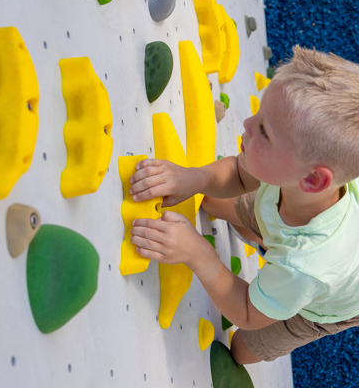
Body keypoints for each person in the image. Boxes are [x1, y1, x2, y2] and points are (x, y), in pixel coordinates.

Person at [128, 45, 359, 364]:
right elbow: (238, 171)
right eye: (259, 114)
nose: (248, 125)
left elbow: (248, 312)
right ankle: (266, 237)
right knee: (208, 197)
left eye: (264, 132)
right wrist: (192, 178)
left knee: (239, 348)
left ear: (313, 180)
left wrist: (198, 252)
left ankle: (274, 255)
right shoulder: (296, 175)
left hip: (325, 304)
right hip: (286, 205)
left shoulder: (308, 268)